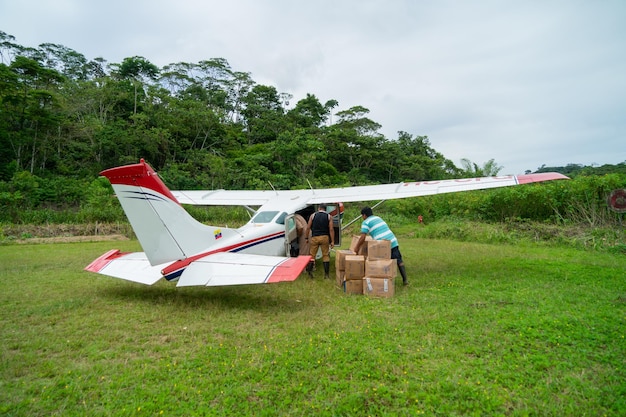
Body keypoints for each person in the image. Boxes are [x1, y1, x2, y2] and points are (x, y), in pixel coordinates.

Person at [354, 206, 408, 285]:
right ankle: (405, 280)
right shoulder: (378, 218)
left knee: (381, 262)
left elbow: (362, 237)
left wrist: (356, 247)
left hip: (382, 244)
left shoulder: (366, 222)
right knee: (399, 260)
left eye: (362, 216)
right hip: (392, 240)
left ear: (364, 215)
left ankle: (382, 281)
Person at [304, 204, 334, 279]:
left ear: (319, 208)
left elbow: (308, 227)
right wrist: (332, 241)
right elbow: (331, 229)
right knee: (325, 255)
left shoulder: (312, 215)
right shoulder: (329, 216)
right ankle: (326, 275)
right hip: (324, 237)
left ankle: (310, 273)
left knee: (312, 255)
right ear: (325, 209)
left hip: (315, 237)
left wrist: (306, 238)